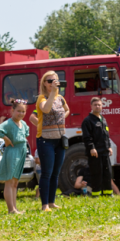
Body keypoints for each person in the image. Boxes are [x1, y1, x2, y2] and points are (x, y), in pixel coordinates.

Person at [35, 71, 69, 212]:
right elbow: (47, 109)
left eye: (54, 81)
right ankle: (44, 205)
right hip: (45, 140)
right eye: (49, 81)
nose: (52, 83)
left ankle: (52, 202)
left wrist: (61, 119)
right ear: (44, 83)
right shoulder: (42, 98)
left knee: (56, 173)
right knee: (46, 172)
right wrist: (53, 93)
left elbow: (67, 110)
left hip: (59, 139)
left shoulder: (60, 98)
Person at [0, 99, 30, 214]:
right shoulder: (9, 123)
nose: (21, 114)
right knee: (9, 181)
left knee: (15, 182)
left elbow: (26, 133)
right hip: (12, 152)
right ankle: (10, 209)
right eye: (18, 111)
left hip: (21, 151)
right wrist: (6, 138)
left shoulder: (23, 124)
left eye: (23, 111)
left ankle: (15, 208)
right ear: (12, 110)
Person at [81, 97, 114, 198]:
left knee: (107, 173)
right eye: (95, 105)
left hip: (104, 151)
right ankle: (96, 194)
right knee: (97, 174)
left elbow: (106, 135)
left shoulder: (103, 119)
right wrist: (91, 147)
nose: (97, 106)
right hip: (95, 152)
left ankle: (108, 193)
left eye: (99, 105)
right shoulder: (87, 121)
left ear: (102, 106)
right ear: (91, 106)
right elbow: (87, 137)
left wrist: (109, 147)